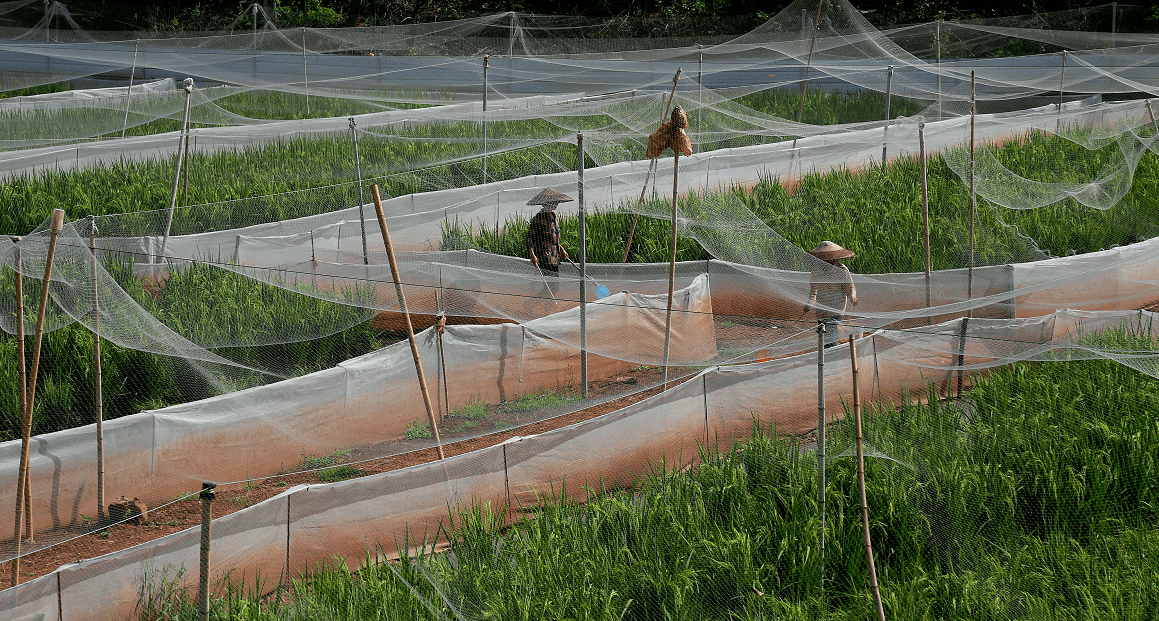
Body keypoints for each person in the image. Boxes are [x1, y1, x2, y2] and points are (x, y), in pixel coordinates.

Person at [806, 241, 858, 347]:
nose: (826, 260)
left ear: (834, 258)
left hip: (837, 306)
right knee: (823, 335)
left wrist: (852, 297)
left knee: (831, 335)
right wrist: (810, 302)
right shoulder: (816, 270)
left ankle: (833, 358)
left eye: (828, 257)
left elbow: (849, 286)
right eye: (823, 257)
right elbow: (814, 290)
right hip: (822, 306)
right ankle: (825, 359)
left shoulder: (842, 269)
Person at [524, 187, 573, 277]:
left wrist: (562, 250)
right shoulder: (539, 218)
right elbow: (529, 238)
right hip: (544, 257)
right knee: (552, 287)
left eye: (556, 202)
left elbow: (553, 238)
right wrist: (532, 255)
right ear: (546, 203)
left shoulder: (553, 216)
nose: (555, 204)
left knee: (554, 286)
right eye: (553, 202)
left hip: (555, 257)